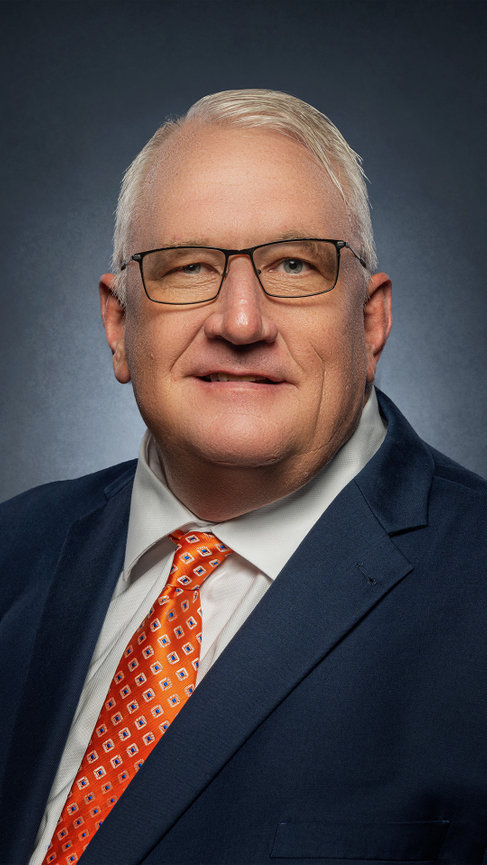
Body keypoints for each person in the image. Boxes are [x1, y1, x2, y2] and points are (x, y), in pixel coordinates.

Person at [1, 89, 486, 865]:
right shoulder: (14, 548)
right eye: (186, 266)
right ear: (118, 325)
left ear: (371, 321)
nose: (239, 322)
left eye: (294, 265)